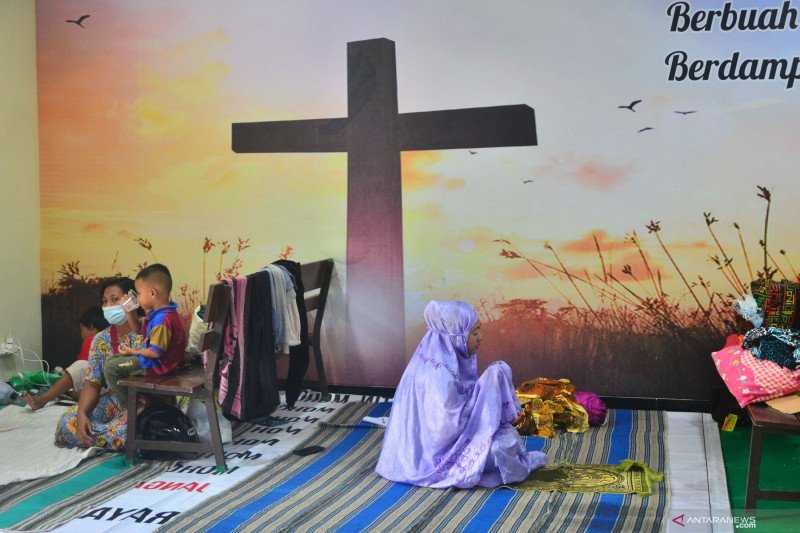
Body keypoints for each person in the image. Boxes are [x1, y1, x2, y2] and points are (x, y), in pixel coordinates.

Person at [375, 300, 547, 488]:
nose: (480, 337)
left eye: (479, 330)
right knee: (503, 447)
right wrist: (489, 388)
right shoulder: (439, 375)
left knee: (507, 439)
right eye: (474, 333)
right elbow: (446, 429)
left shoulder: (438, 360)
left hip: (427, 449)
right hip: (436, 456)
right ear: (456, 336)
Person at [55, 277, 146, 450]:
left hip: (144, 401)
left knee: (129, 431)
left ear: (132, 300)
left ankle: (118, 437)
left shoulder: (149, 330)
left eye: (115, 299)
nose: (109, 306)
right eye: (105, 302)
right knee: (68, 423)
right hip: (114, 401)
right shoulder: (100, 340)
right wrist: (82, 413)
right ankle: (113, 438)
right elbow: (92, 383)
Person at [104, 263, 187, 404]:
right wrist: (130, 312)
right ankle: (137, 404)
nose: (138, 298)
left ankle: (132, 408)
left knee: (110, 368)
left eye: (140, 293)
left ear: (153, 293)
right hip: (159, 362)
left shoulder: (162, 320)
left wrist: (133, 351)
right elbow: (138, 330)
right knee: (112, 360)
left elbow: (155, 353)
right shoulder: (163, 313)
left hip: (157, 365)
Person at [23, 306, 108, 411]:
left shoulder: (93, 340)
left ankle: (42, 400)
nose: (81, 334)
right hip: (105, 390)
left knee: (80, 367)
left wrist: (65, 379)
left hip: (98, 390)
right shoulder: (109, 336)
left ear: (91, 327)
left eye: (81, 329)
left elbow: (83, 369)